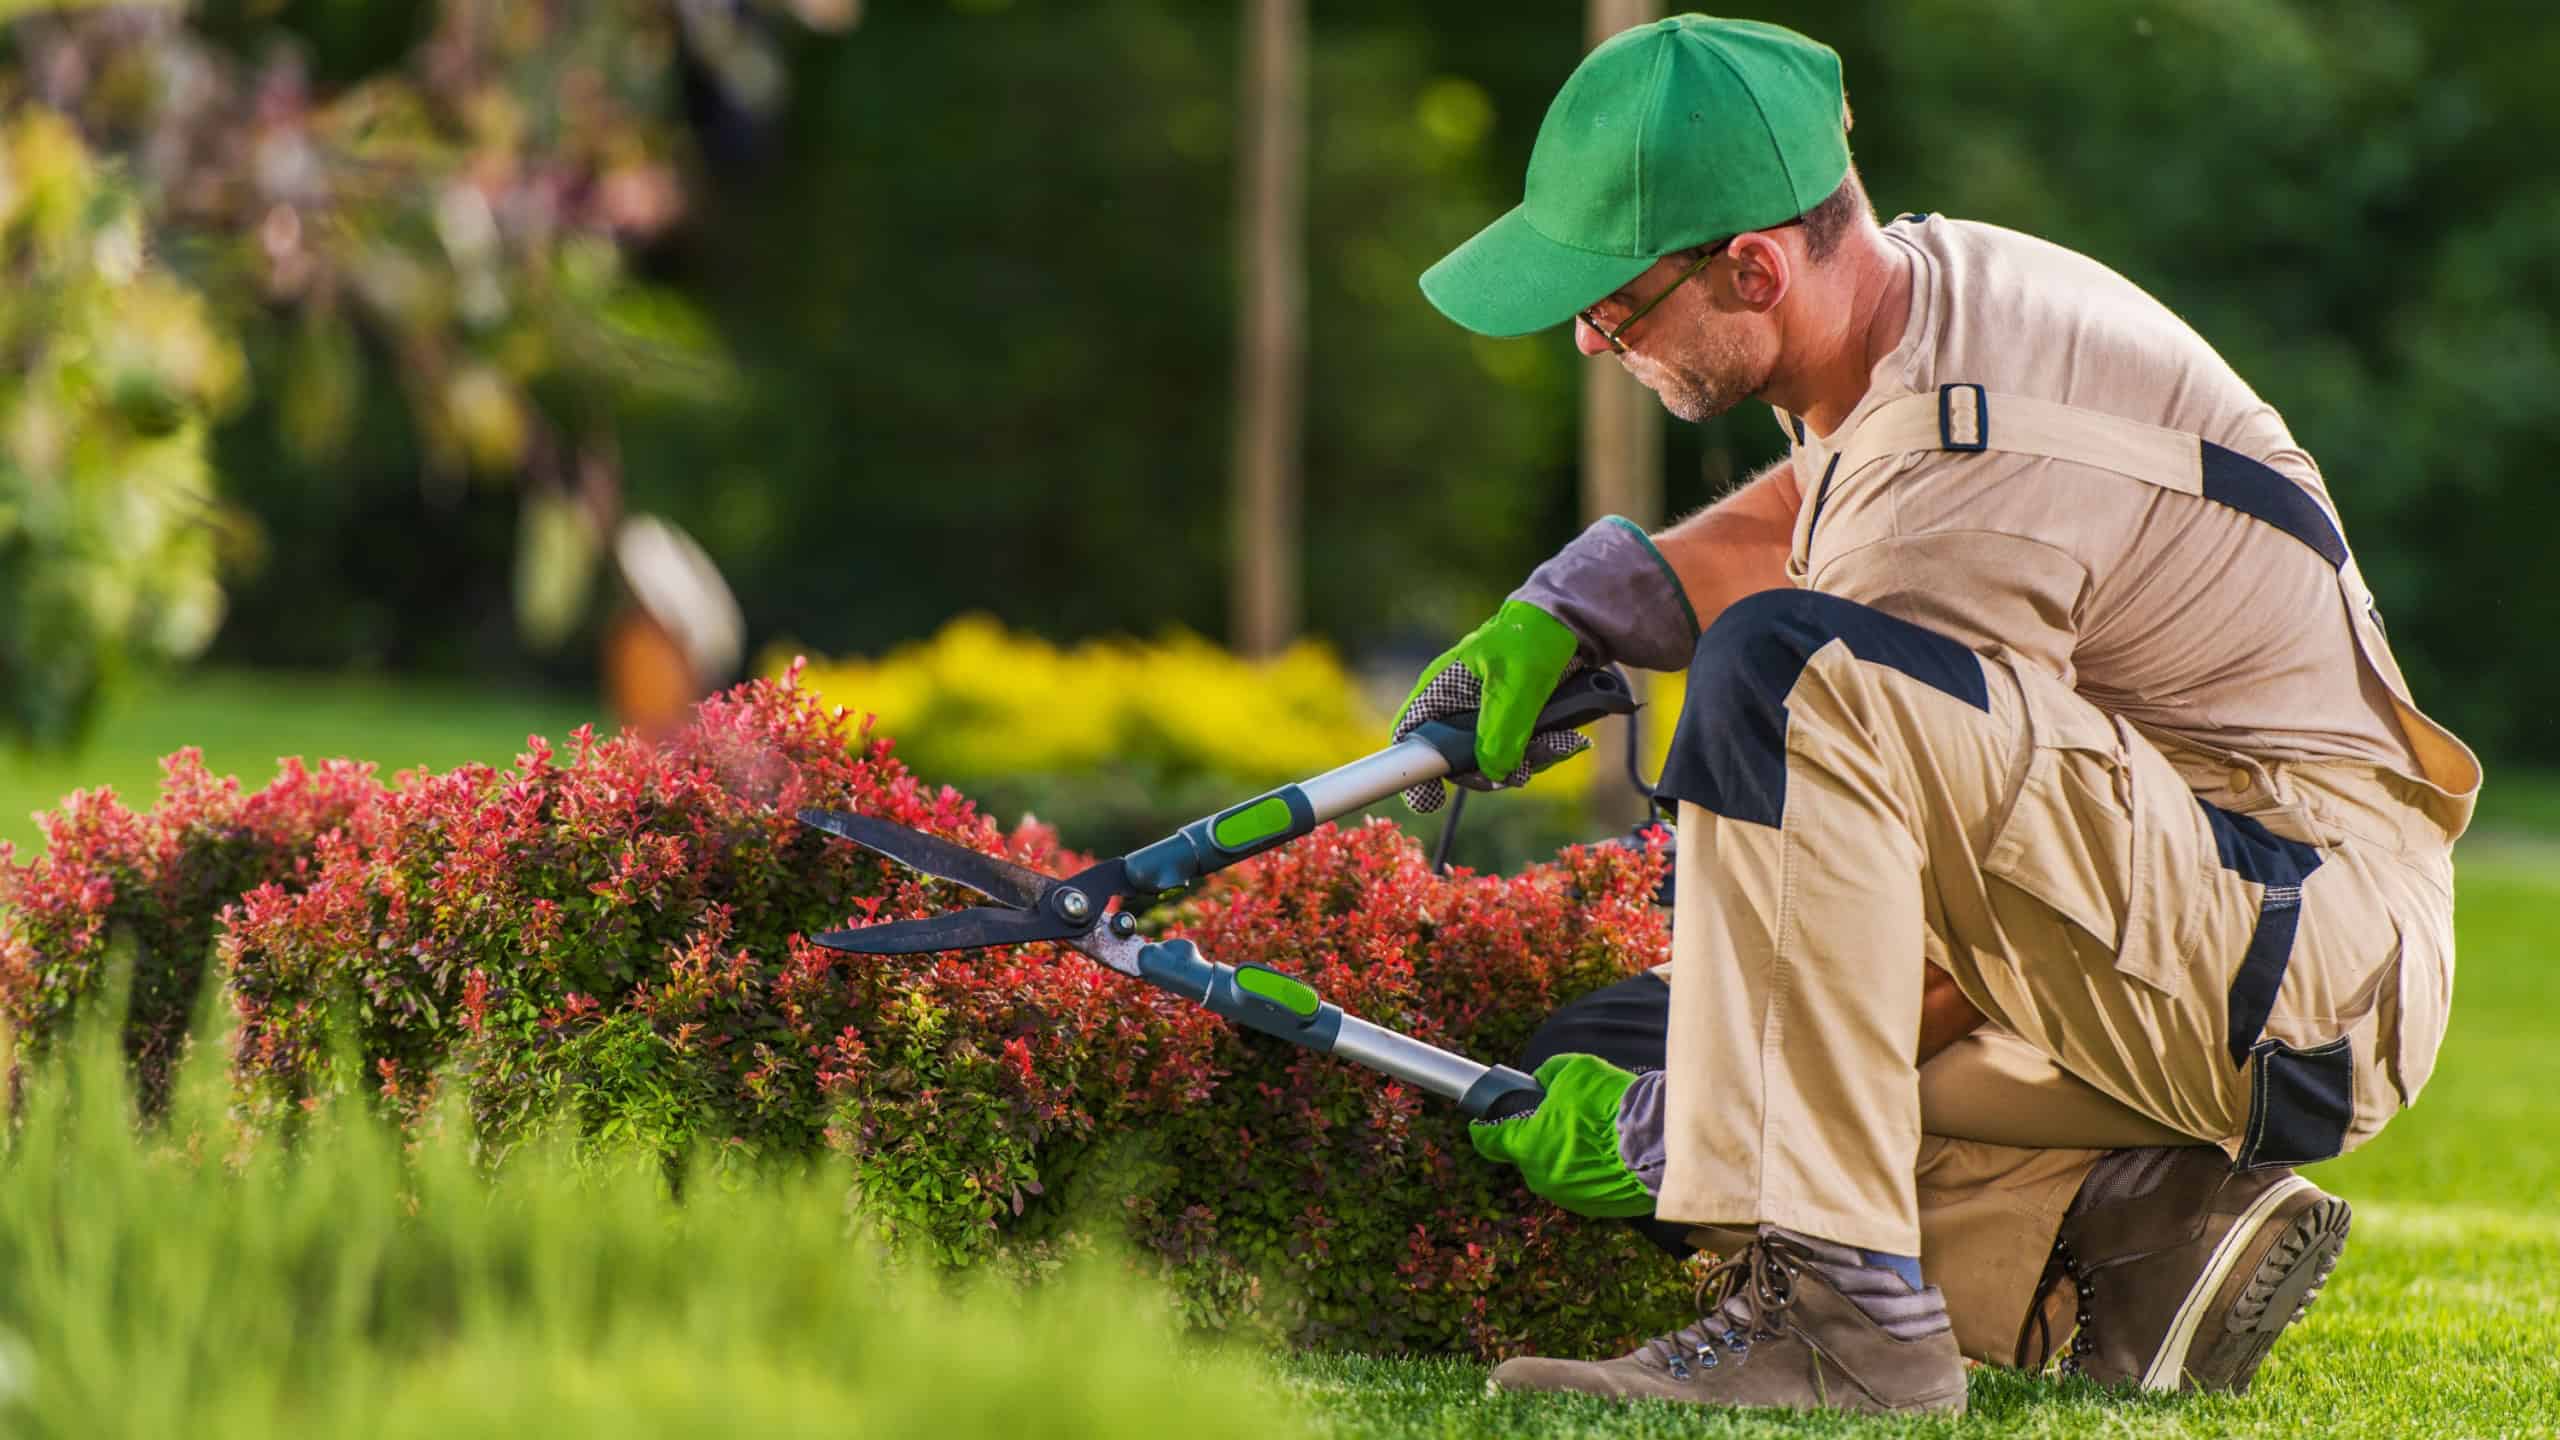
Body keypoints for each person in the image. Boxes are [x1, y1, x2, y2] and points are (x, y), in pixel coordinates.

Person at [1396, 14, 2478, 1417]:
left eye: (1615, 303)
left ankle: (1847, 1329)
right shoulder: (1926, 294)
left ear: (1753, 267)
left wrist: (1711, 1133)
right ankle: (2135, 1234)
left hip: (2300, 965)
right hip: (2191, 915)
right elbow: (1838, 496)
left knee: (1778, 725)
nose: (1594, 340)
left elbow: (1952, 900)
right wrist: (1600, 600)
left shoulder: (1964, 487)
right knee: (1618, 1045)